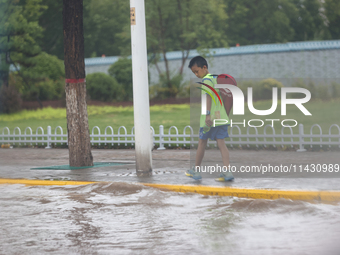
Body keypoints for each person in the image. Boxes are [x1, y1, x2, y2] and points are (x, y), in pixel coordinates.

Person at [185, 56, 234, 182]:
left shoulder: (206, 80)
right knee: (222, 144)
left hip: (210, 119)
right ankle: (227, 172)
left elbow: (208, 97)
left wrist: (207, 114)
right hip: (220, 117)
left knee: (202, 143)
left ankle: (196, 171)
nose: (196, 74)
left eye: (197, 71)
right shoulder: (215, 78)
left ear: (204, 67)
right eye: (193, 73)